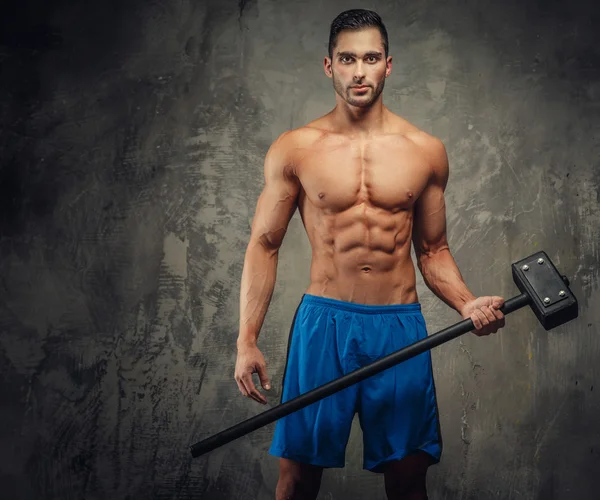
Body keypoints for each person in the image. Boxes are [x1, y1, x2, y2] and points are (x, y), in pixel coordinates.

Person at [234, 8, 505, 500]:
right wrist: (246, 339)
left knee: (408, 480)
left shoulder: (425, 150)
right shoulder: (296, 148)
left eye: (371, 58)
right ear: (328, 65)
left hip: (399, 327)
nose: (359, 70)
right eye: (348, 58)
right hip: (325, 326)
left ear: (388, 65)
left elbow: (433, 250)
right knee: (296, 482)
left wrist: (466, 302)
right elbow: (264, 244)